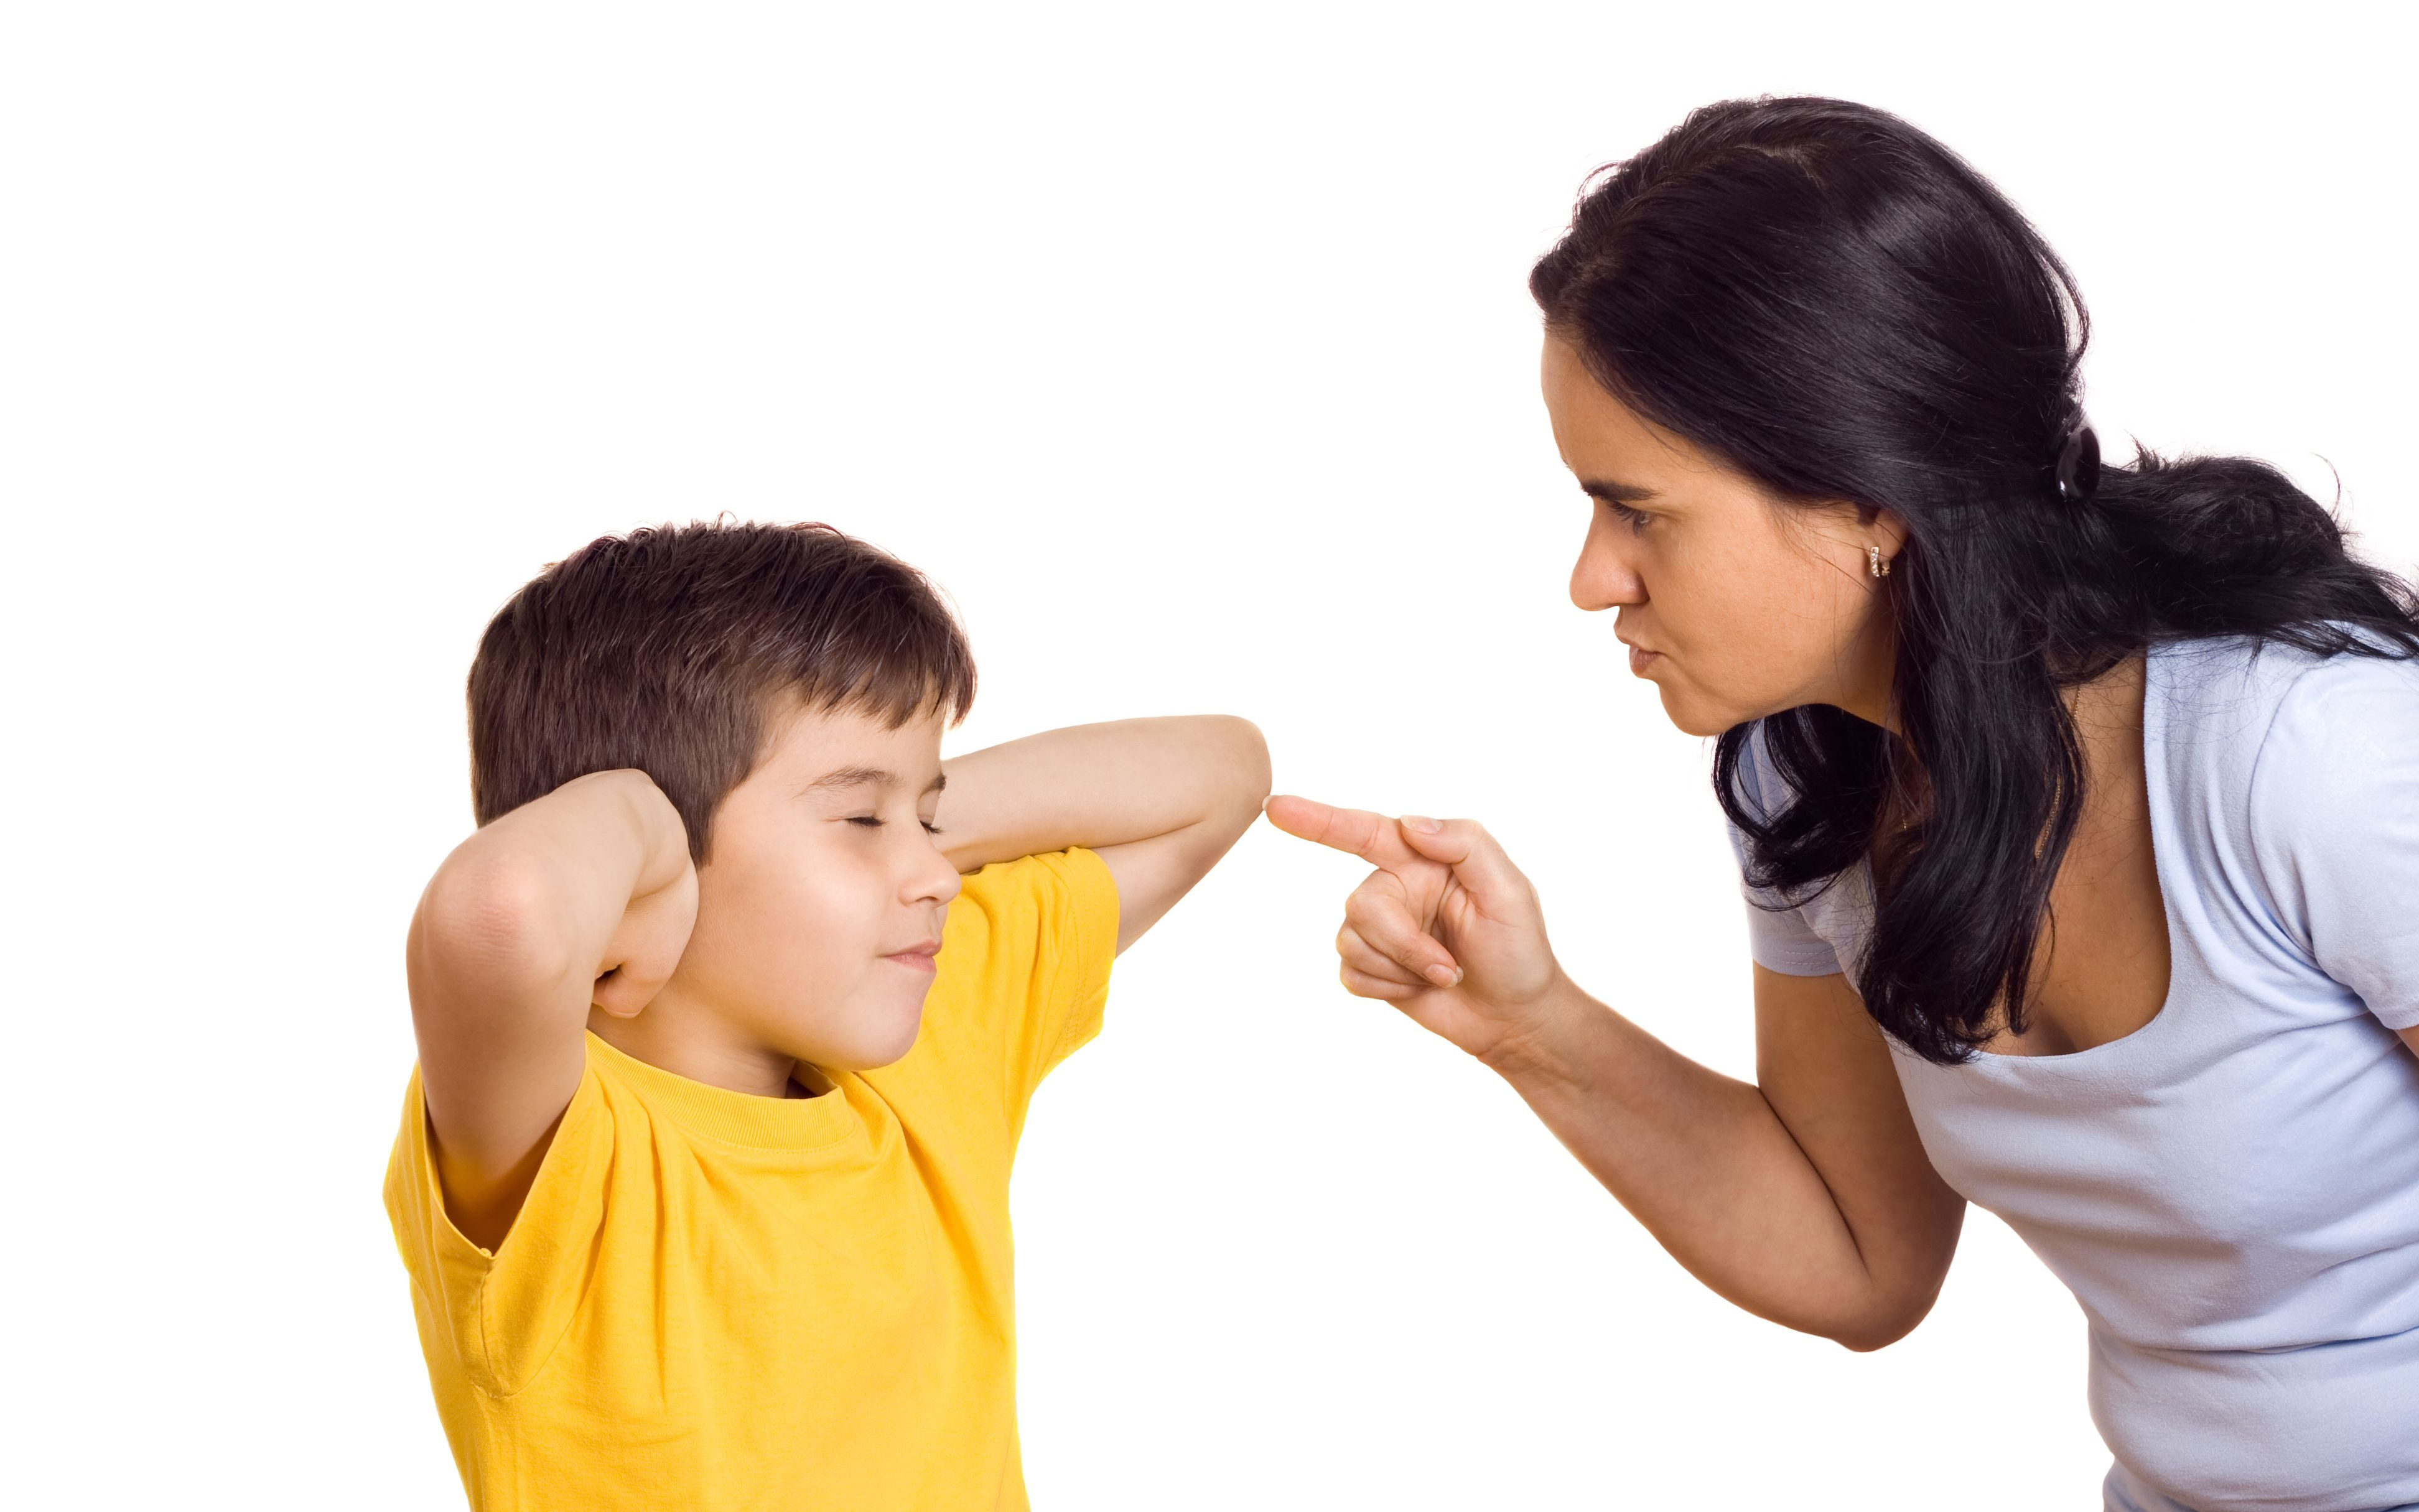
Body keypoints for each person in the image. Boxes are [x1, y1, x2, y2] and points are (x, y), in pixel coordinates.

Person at [1270, 98, 2419, 1512]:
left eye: (1640, 510)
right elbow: (1859, 1258)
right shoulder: (1808, 777)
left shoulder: (2311, 755)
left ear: (1873, 499)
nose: (1591, 578)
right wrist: (1530, 1021)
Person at [384, 521, 1269, 1510]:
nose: (939, 874)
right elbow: (499, 912)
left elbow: (1224, 772)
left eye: (927, 821)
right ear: (642, 860)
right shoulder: (562, 1154)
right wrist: (656, 821)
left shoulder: (929, 1029)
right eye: (859, 820)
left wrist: (894, 813)